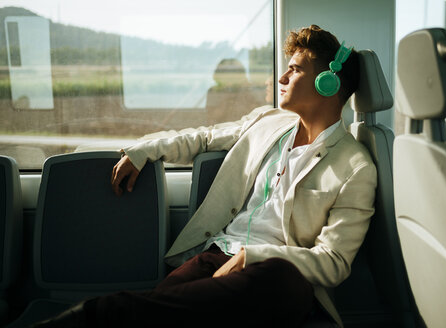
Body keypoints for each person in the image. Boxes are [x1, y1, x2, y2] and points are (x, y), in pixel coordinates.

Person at [33, 24, 376, 328]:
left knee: (278, 278)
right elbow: (206, 137)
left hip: (276, 275)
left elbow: (333, 263)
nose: (282, 79)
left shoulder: (355, 166)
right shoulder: (269, 122)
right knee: (161, 306)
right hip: (216, 253)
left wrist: (252, 257)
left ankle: (95, 314)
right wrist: (144, 150)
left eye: (294, 70)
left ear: (328, 83)